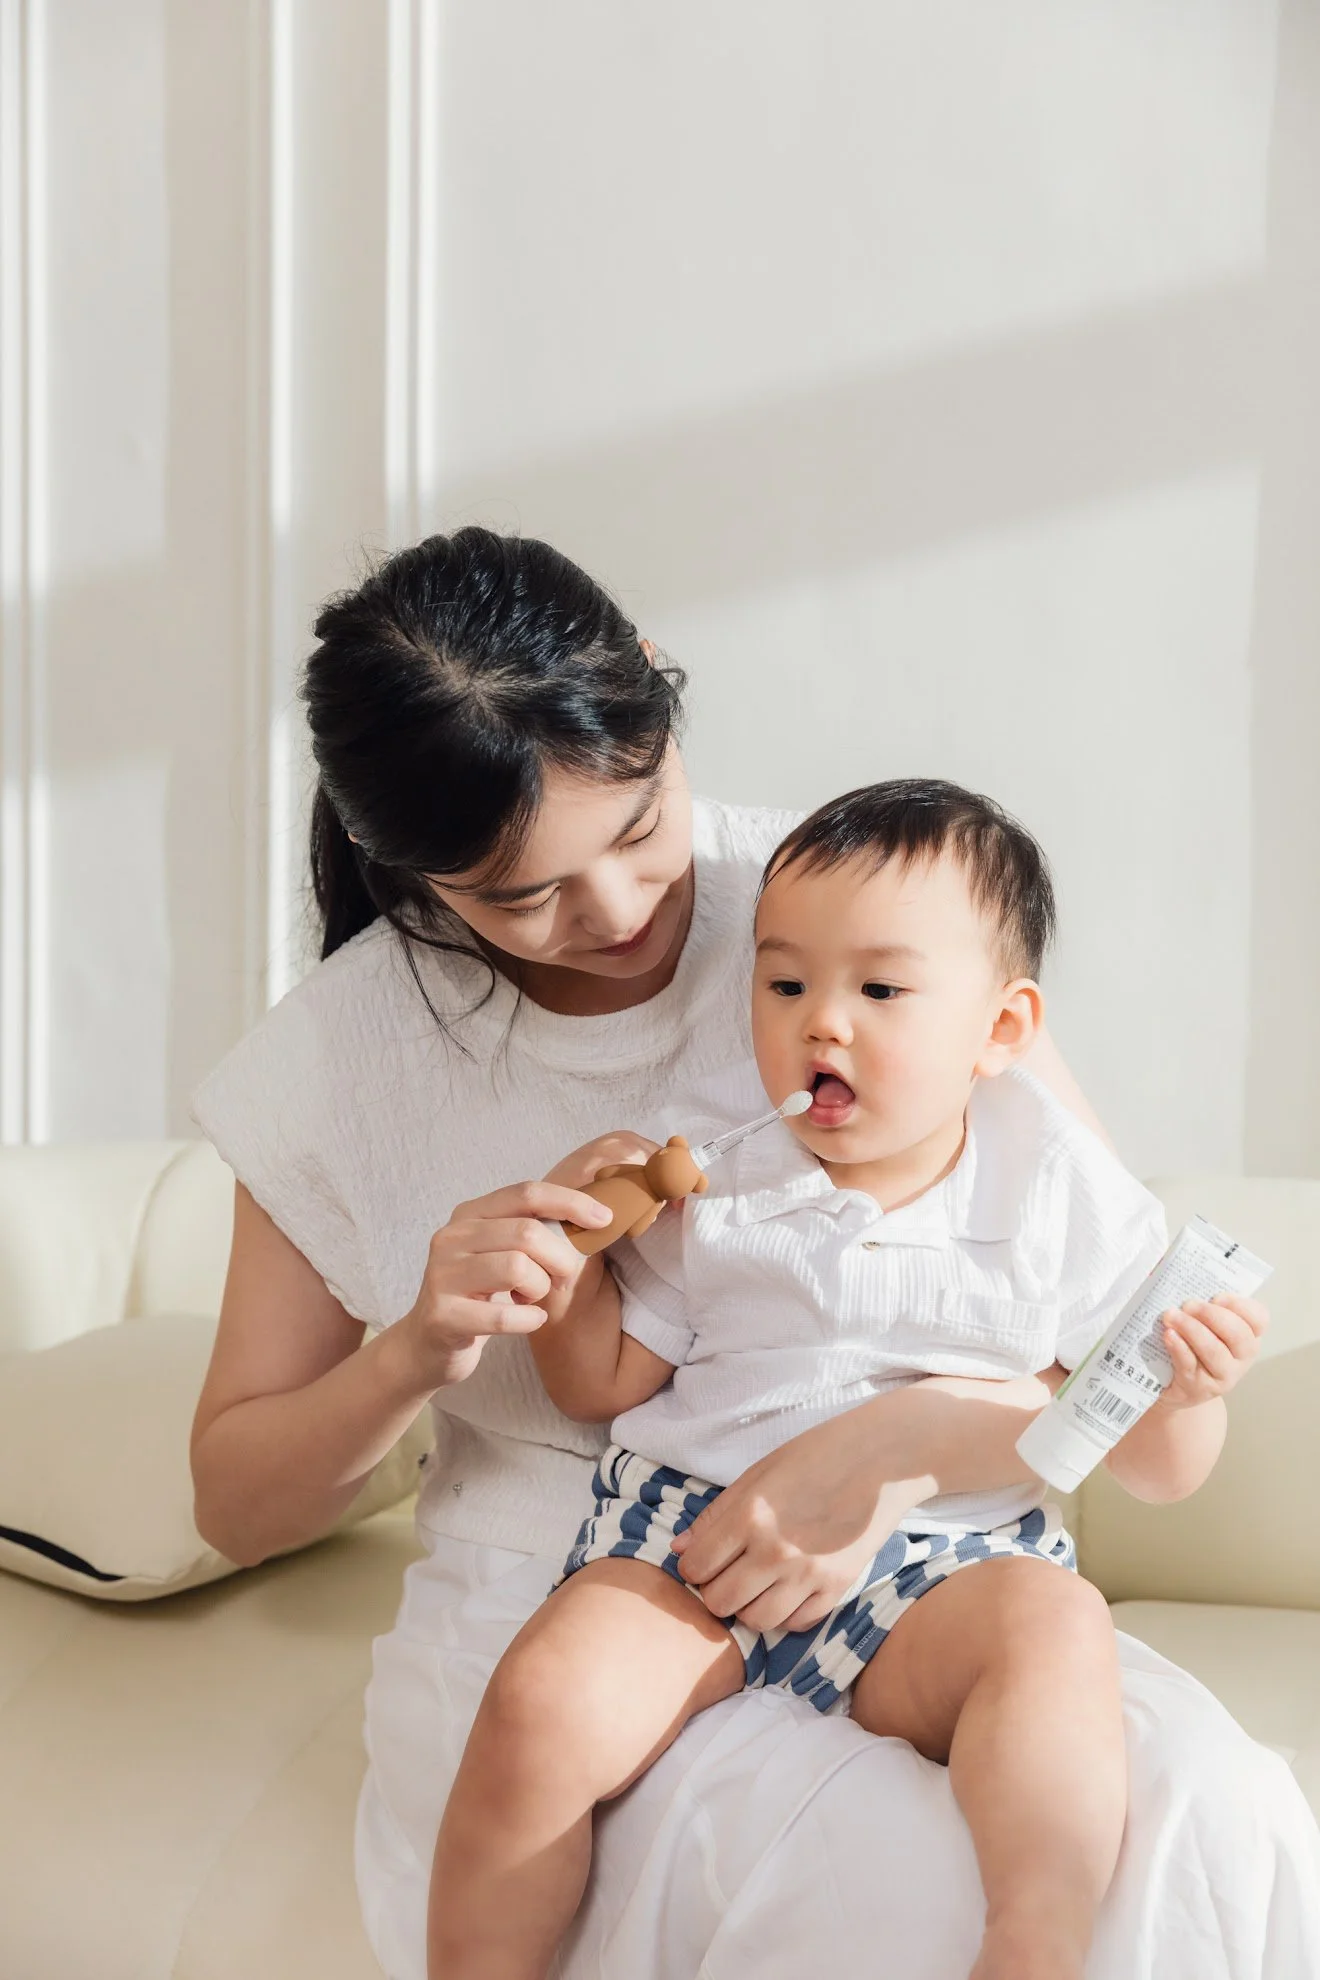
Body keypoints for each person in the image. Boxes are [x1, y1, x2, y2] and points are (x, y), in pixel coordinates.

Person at [188, 529, 1320, 1980]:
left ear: (658, 694)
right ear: (398, 865)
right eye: (519, 894)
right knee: (889, 1887)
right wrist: (425, 1342)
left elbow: (1085, 1347)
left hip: (938, 1544)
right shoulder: (334, 1066)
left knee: (1215, 1828)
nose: (614, 915)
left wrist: (888, 1448)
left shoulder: (860, 904)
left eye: (639, 825)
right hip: (612, 1562)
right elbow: (242, 1496)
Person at [428, 778, 1267, 1980]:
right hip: (692, 1540)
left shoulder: (1058, 1189)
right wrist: (574, 1279)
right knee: (542, 1702)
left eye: (879, 991)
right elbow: (603, 1383)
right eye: (785, 986)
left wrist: (1190, 1393)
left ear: (1003, 1031)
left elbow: (1159, 1470)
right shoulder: (720, 1165)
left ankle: (1035, 1944)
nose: (823, 1026)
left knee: (1054, 1633)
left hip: (946, 1564)